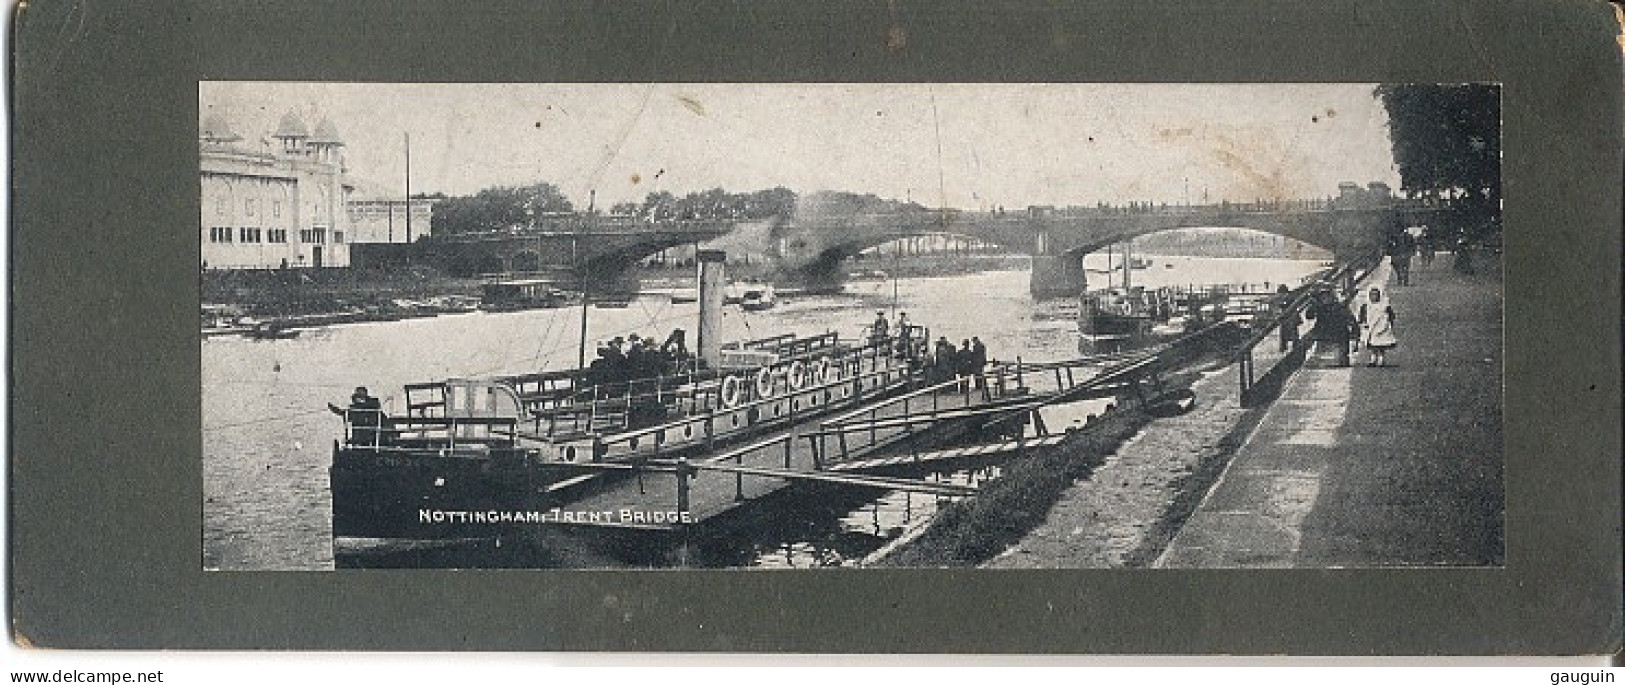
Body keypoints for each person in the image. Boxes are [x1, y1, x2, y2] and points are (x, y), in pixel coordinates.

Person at [1303, 287, 1355, 367]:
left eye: (1327, 296)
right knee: (1306, 340)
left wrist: (1354, 335)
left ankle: (1341, 357)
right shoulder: (1319, 307)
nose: (1325, 298)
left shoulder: (1339, 307)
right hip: (1323, 334)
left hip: (1337, 335)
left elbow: (1350, 319)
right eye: (1322, 296)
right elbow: (1309, 316)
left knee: (1340, 358)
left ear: (1332, 296)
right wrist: (1312, 305)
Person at [1360, 287, 1398, 367]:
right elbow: (1362, 315)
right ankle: (1373, 359)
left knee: (1381, 344)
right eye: (1372, 295)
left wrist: (1389, 323)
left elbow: (1391, 315)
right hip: (1371, 328)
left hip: (1382, 327)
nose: (1373, 297)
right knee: (1372, 344)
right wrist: (1363, 322)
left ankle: (1381, 358)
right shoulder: (1366, 306)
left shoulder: (1384, 306)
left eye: (1375, 295)